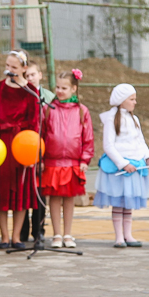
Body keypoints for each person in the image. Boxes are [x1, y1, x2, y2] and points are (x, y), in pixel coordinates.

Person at [0, 50, 40, 249]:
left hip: (21, 144)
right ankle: (3, 235)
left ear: (24, 69)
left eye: (14, 67)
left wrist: (31, 152)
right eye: (7, 66)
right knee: (1, 190)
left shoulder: (31, 91)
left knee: (20, 190)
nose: (9, 70)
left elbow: (34, 123)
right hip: (0, 143)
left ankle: (17, 236)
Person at [94, 83, 149, 247]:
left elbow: (140, 142)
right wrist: (123, 164)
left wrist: (148, 157)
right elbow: (108, 145)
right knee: (118, 203)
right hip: (119, 169)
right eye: (132, 99)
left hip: (135, 166)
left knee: (128, 204)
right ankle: (119, 237)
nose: (135, 102)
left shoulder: (134, 119)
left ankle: (128, 235)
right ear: (122, 100)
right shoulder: (111, 119)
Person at [42, 70, 95, 249]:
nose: (60, 91)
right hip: (52, 161)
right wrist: (40, 158)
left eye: (64, 88)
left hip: (73, 162)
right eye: (57, 87)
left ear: (74, 88)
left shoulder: (81, 111)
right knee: (54, 198)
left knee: (69, 198)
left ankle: (68, 233)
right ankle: (56, 234)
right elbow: (41, 135)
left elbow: (88, 138)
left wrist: (84, 159)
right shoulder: (48, 109)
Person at [20, 60, 56, 243]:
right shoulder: (21, 95)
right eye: (26, 76)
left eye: (33, 75)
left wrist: (44, 156)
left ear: (40, 75)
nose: (30, 78)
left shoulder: (49, 98)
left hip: (41, 151)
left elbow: (50, 130)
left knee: (40, 193)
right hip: (23, 149)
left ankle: (39, 229)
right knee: (23, 191)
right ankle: (22, 230)